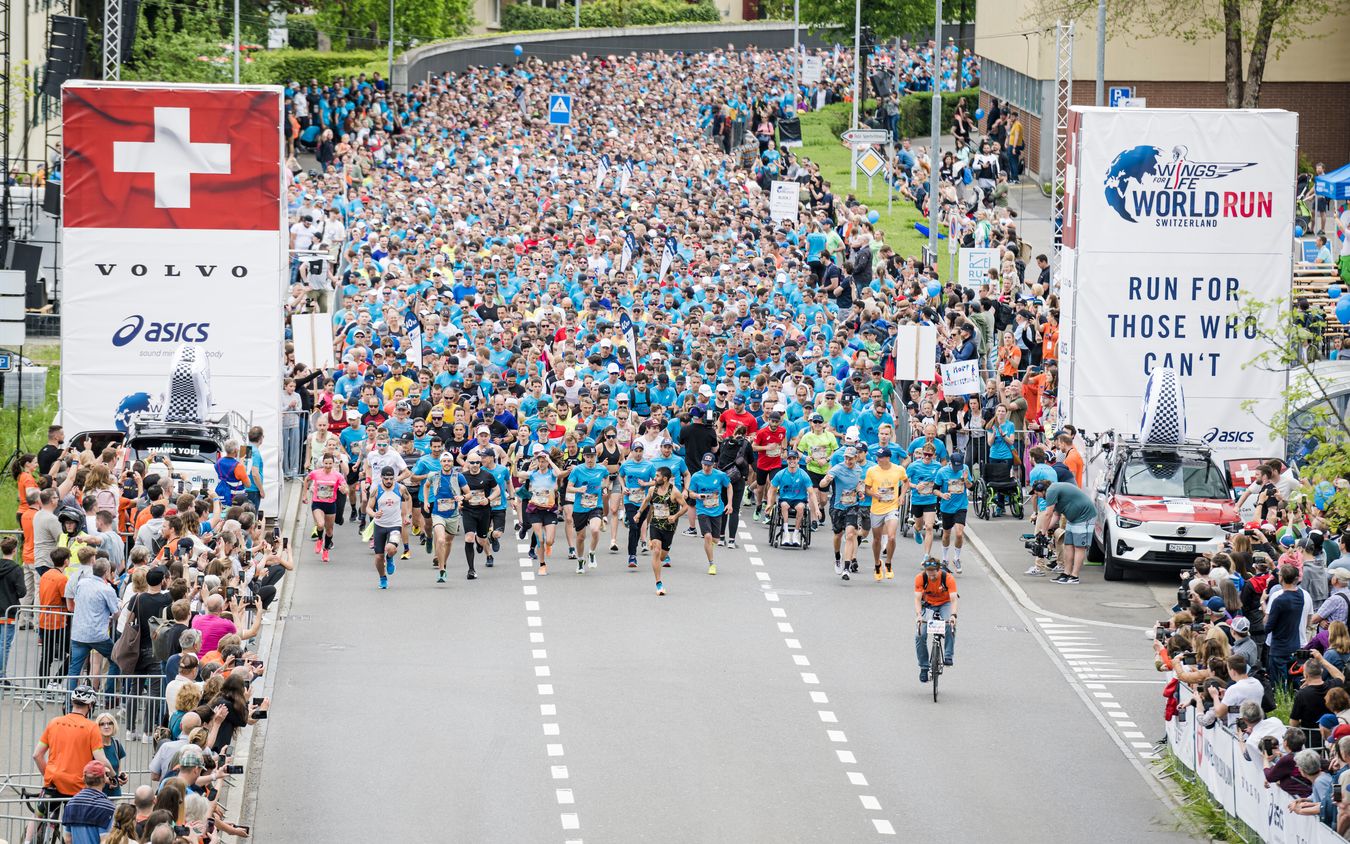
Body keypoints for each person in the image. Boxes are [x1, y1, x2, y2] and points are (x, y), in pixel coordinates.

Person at [33, 684, 110, 801]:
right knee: (74, 819)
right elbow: (101, 760)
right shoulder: (92, 727)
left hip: (53, 782)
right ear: (90, 705)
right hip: (78, 786)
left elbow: (37, 755)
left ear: (72, 702)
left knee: (38, 818)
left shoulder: (54, 722)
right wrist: (114, 776)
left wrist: (48, 776)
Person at [1032, 479, 1096, 584]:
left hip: (1085, 516)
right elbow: (1056, 516)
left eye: (1036, 493)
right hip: (1073, 519)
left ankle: (1074, 576)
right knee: (1068, 545)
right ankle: (1066, 573)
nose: (1037, 496)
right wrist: (1044, 530)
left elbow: (1048, 514)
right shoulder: (1054, 493)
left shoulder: (1051, 491)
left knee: (1079, 547)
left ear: (1041, 489)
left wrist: (1043, 532)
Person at [637, 467, 689, 596]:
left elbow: (686, 507)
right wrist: (639, 513)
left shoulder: (674, 492)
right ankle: (659, 583)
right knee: (656, 550)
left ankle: (657, 552)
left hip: (669, 527)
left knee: (662, 556)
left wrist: (675, 516)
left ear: (664, 479)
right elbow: (646, 501)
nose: (655, 478)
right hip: (655, 523)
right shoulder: (652, 489)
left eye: (657, 476)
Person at [821, 446, 867, 580]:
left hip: (852, 506)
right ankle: (837, 557)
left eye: (851, 458)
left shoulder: (859, 470)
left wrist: (860, 492)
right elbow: (822, 483)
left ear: (856, 458)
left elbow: (859, 484)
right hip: (837, 507)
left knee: (850, 534)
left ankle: (846, 568)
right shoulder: (837, 468)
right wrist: (827, 480)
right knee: (837, 535)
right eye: (846, 458)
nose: (848, 461)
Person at [864, 445, 908, 581]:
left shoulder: (898, 469)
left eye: (881, 457)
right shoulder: (872, 471)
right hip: (877, 509)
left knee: (892, 537)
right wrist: (874, 494)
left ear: (888, 458)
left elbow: (906, 482)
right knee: (876, 539)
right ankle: (877, 563)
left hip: (892, 507)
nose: (878, 459)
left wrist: (902, 496)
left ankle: (888, 562)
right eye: (877, 457)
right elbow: (867, 489)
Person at [914, 557, 958, 683]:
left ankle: (948, 655)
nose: (931, 573)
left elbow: (954, 599)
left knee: (950, 624)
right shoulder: (920, 578)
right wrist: (918, 615)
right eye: (928, 570)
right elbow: (917, 599)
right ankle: (923, 667)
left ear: (938, 570)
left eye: (933, 571)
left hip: (945, 603)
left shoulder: (948, 578)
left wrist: (953, 615)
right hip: (928, 605)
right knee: (919, 634)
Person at [366, 465, 410, 589]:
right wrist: (374, 514)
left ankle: (390, 558)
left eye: (391, 478)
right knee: (379, 556)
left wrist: (407, 514)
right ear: (381, 478)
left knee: (391, 548)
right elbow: (368, 507)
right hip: (380, 526)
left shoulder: (401, 488)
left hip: (395, 525)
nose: (389, 481)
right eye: (386, 479)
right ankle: (382, 577)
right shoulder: (376, 490)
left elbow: (408, 498)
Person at [424, 452, 465, 584]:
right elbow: (426, 486)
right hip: (438, 513)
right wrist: (426, 501)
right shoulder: (433, 476)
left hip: (453, 515)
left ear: (452, 462)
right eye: (444, 461)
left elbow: (468, 492)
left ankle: (444, 562)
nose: (446, 463)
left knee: (448, 541)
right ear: (440, 463)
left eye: (449, 461)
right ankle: (442, 570)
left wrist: (462, 497)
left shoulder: (459, 476)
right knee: (441, 540)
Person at [687, 453, 732, 576]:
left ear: (714, 465)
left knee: (715, 539)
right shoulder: (696, 476)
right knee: (707, 536)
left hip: (717, 510)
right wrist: (697, 496)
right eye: (705, 465)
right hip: (702, 510)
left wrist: (730, 504)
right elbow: (690, 492)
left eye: (709, 465)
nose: (706, 467)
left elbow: (729, 486)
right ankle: (711, 563)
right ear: (702, 463)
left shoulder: (720, 475)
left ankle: (709, 546)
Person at [459, 451, 501, 578]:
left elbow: (497, 490)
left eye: (477, 462)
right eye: (472, 462)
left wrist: (488, 499)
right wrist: (460, 501)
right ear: (467, 463)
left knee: (482, 540)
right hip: (468, 511)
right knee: (469, 537)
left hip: (483, 511)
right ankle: (471, 569)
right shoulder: (462, 477)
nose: (475, 465)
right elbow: (457, 492)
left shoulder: (487, 475)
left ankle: (482, 543)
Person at [567, 446, 609, 573]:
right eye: (588, 456)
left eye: (593, 456)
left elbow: (606, 477)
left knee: (595, 530)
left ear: (596, 456)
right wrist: (578, 490)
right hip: (580, 508)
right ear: (584, 457)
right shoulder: (577, 470)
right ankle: (580, 560)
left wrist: (604, 486)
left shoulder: (602, 469)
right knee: (580, 537)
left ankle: (591, 553)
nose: (590, 459)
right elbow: (569, 488)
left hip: (596, 506)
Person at [304, 452, 346, 562]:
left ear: (333, 463)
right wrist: (305, 494)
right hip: (318, 503)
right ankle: (319, 539)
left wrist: (343, 490)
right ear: (323, 463)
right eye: (326, 463)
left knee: (330, 530)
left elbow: (345, 488)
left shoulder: (337, 475)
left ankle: (326, 550)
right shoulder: (316, 473)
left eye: (330, 463)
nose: (328, 466)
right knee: (320, 524)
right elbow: (306, 479)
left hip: (331, 504)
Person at [61, 760, 116, 844]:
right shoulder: (107, 806)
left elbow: (68, 839)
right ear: (104, 779)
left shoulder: (70, 804)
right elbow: (105, 840)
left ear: (84, 779)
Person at [936, 452, 971, 573]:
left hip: (961, 505)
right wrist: (942, 494)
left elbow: (970, 486)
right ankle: (945, 559)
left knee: (959, 534)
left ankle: (956, 558)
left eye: (959, 467)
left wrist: (966, 480)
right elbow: (935, 489)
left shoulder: (965, 468)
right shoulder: (942, 472)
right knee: (946, 534)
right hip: (947, 507)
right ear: (950, 462)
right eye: (955, 467)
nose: (958, 469)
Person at [768, 452, 812, 547]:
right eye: (790, 459)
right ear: (787, 460)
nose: (792, 460)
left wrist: (816, 509)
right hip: (785, 498)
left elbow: (811, 492)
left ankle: (796, 534)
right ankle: (786, 533)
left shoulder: (803, 474)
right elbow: (771, 489)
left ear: (797, 460)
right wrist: (769, 504)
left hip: (799, 499)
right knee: (784, 506)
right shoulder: (781, 473)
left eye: (794, 458)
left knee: (800, 508)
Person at [906, 444, 942, 559]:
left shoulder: (937, 466)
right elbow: (905, 481)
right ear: (922, 454)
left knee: (929, 526)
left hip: (930, 500)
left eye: (930, 455)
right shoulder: (913, 466)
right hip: (917, 501)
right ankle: (916, 530)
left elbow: (941, 481)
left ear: (934, 455)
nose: (927, 457)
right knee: (919, 526)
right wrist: (915, 486)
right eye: (925, 455)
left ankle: (926, 555)